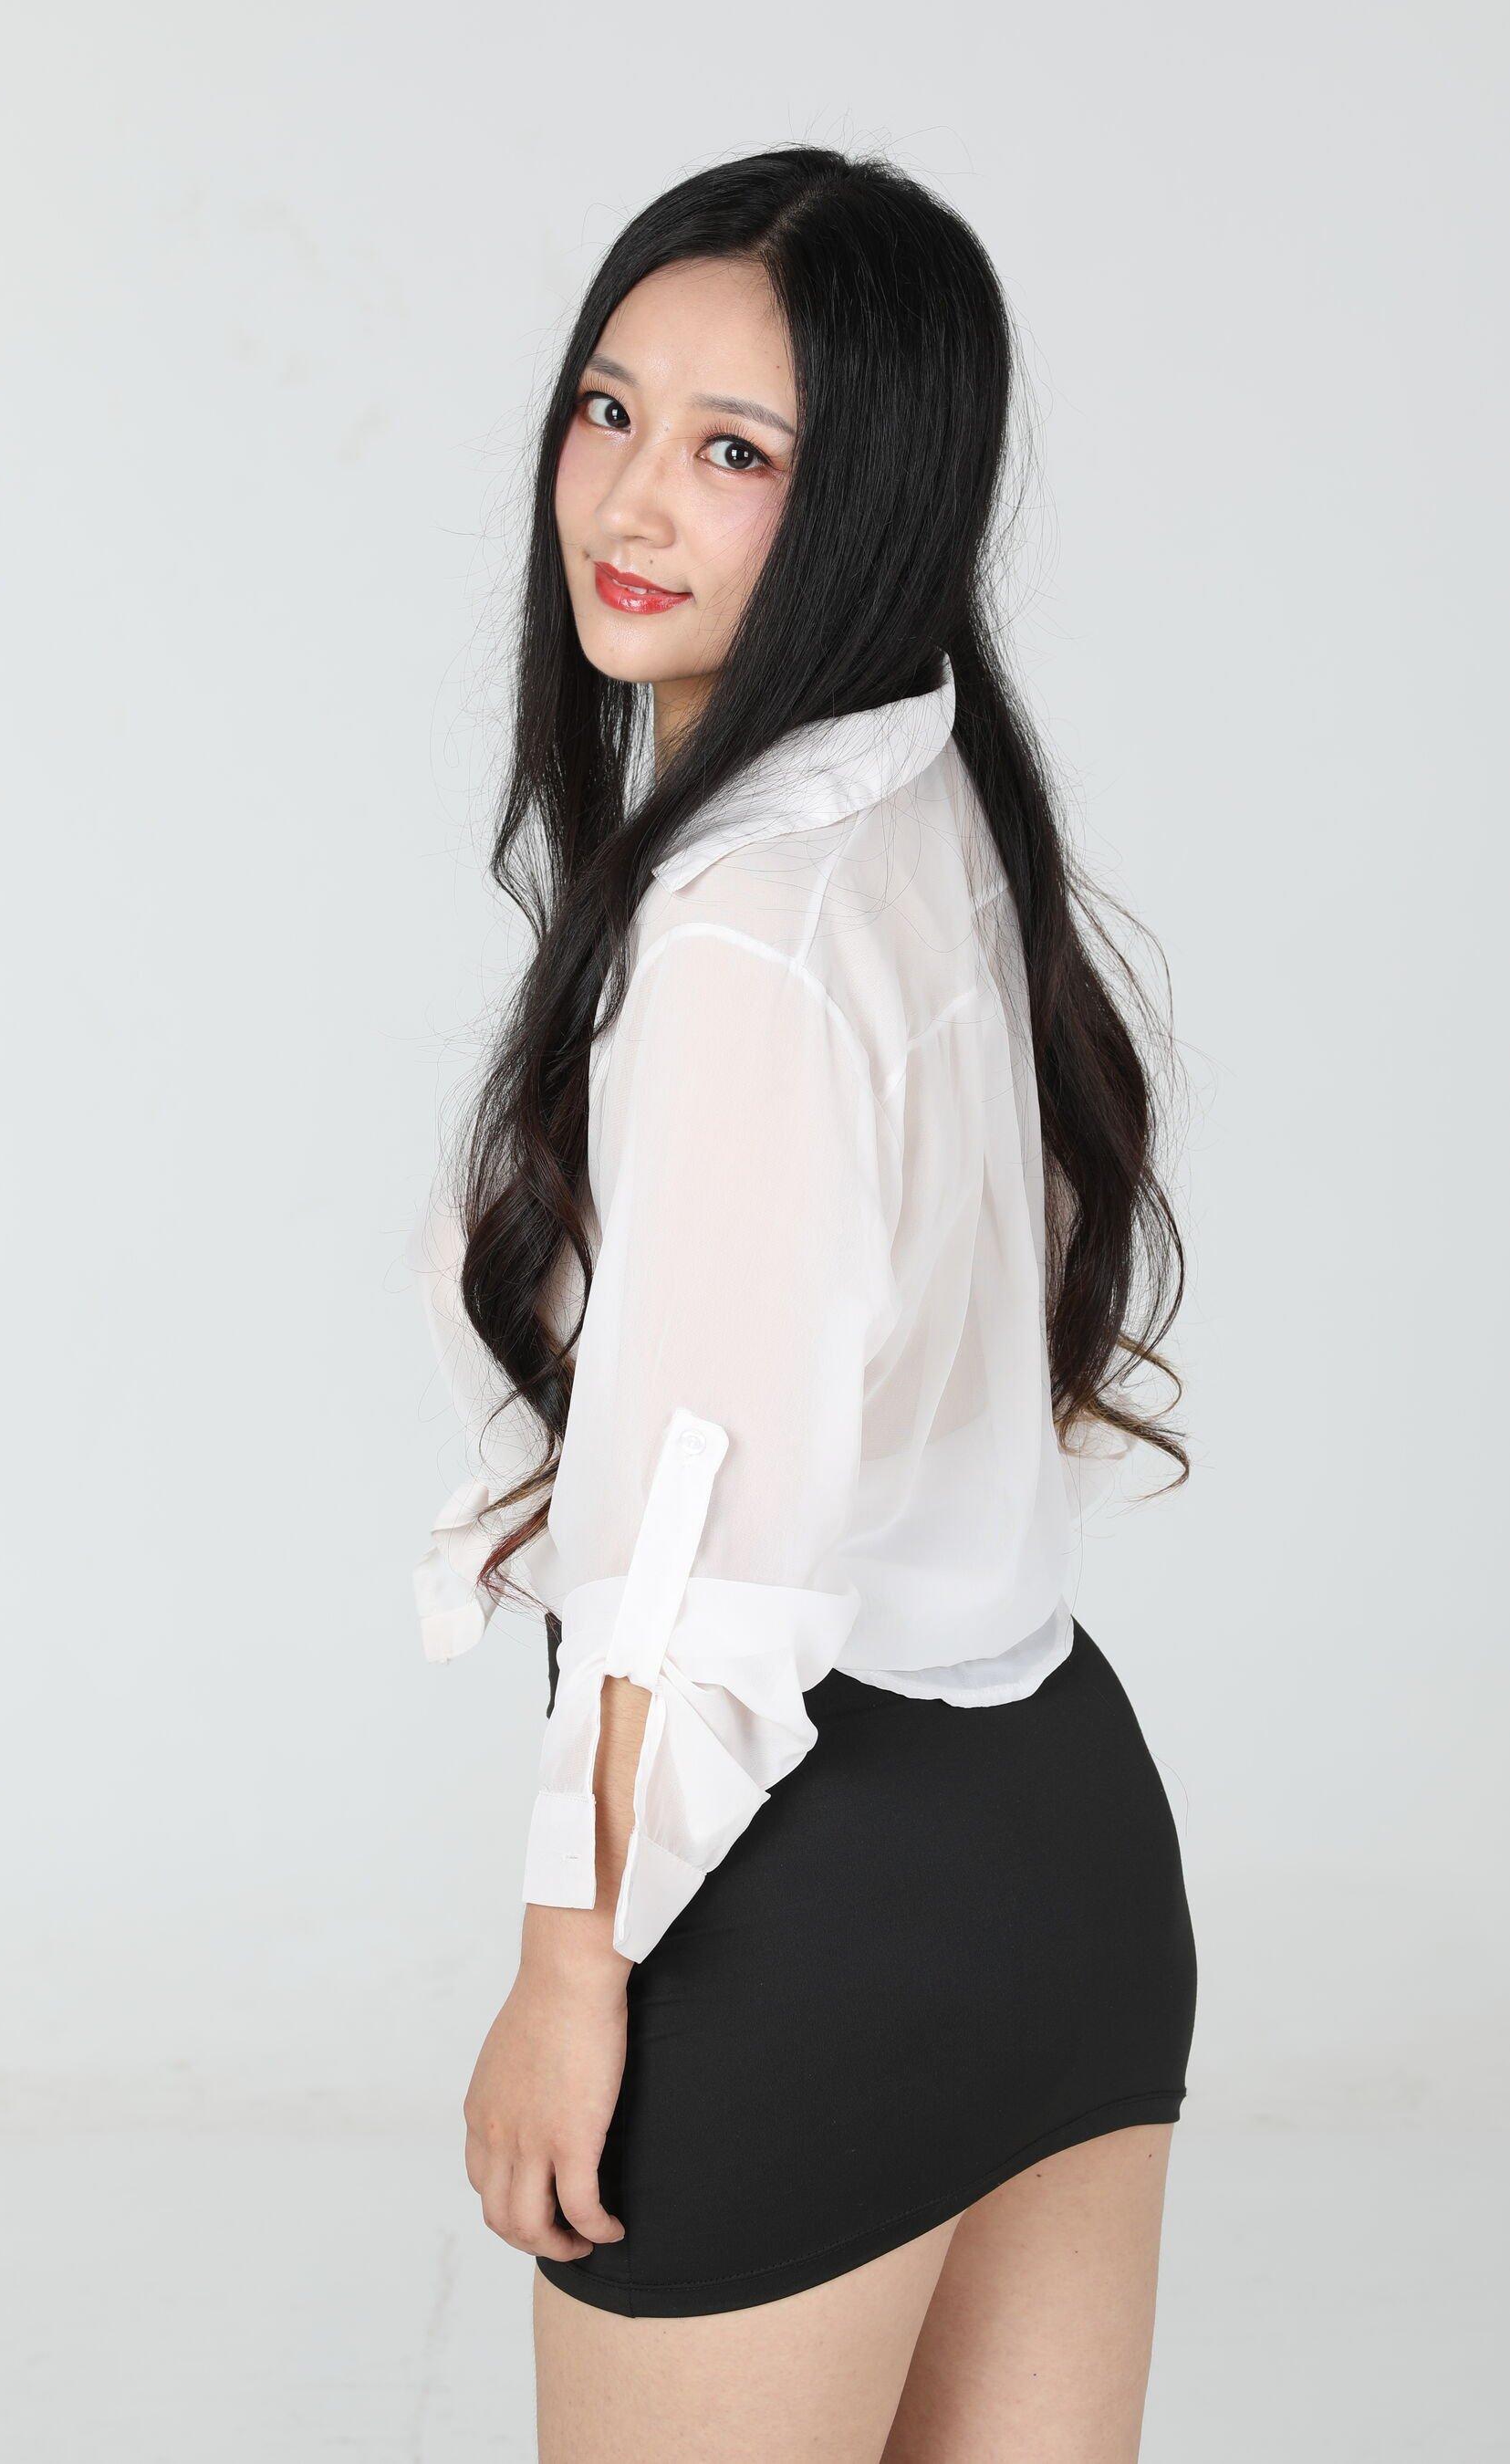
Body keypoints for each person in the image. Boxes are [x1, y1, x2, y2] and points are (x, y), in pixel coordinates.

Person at [411, 144, 1198, 2464]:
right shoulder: (931, 797)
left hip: (799, 1911)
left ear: (869, 498)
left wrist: (568, 1970)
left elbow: (696, 1538)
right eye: (609, 409)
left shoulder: (746, 928)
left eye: (736, 451)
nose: (632, 498)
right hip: (1062, 1852)